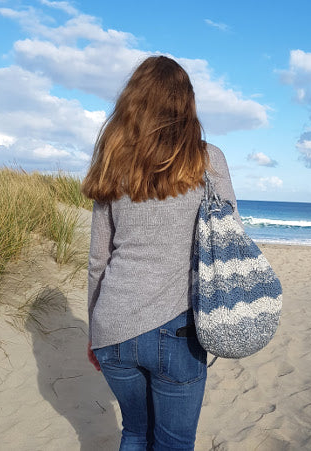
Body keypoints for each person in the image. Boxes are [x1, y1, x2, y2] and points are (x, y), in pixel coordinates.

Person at [82, 55, 242, 451]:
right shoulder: (207, 159)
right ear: (186, 102)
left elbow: (97, 260)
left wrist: (93, 329)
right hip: (178, 329)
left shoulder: (112, 162)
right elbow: (230, 238)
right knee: (172, 443)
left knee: (135, 433)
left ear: (131, 102)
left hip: (112, 326)